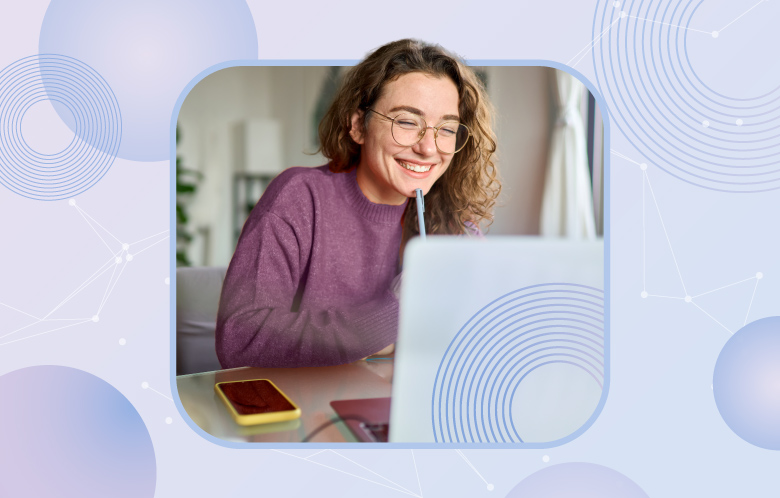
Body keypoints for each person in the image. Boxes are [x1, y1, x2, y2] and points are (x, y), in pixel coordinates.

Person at [216, 39, 500, 368]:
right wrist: (392, 314)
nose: (428, 148)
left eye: (446, 129)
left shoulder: (452, 227)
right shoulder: (300, 198)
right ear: (357, 126)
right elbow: (240, 338)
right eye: (407, 122)